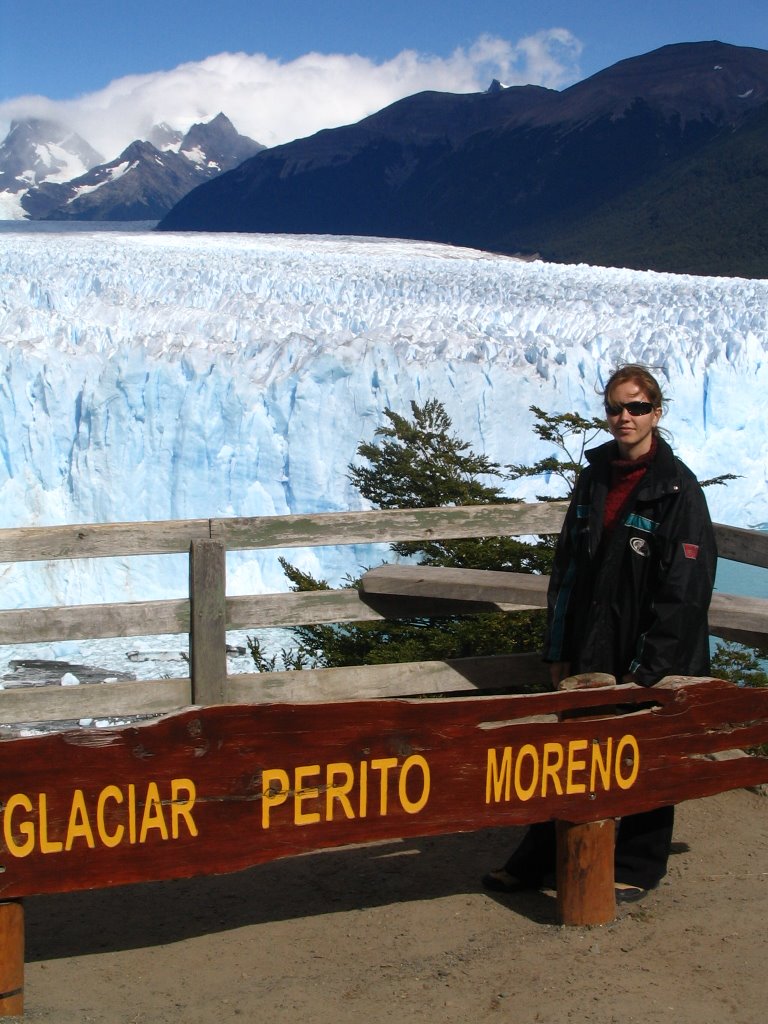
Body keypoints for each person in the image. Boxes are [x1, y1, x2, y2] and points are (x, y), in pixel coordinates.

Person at [484, 364, 717, 902]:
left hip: (648, 653)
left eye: (636, 407)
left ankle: (638, 863)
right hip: (592, 643)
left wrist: (650, 667)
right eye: (615, 407)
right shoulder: (595, 479)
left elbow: (686, 589)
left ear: (657, 413)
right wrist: (559, 647)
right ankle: (540, 859)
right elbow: (568, 568)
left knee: (647, 756)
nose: (624, 418)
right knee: (570, 753)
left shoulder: (678, 490)